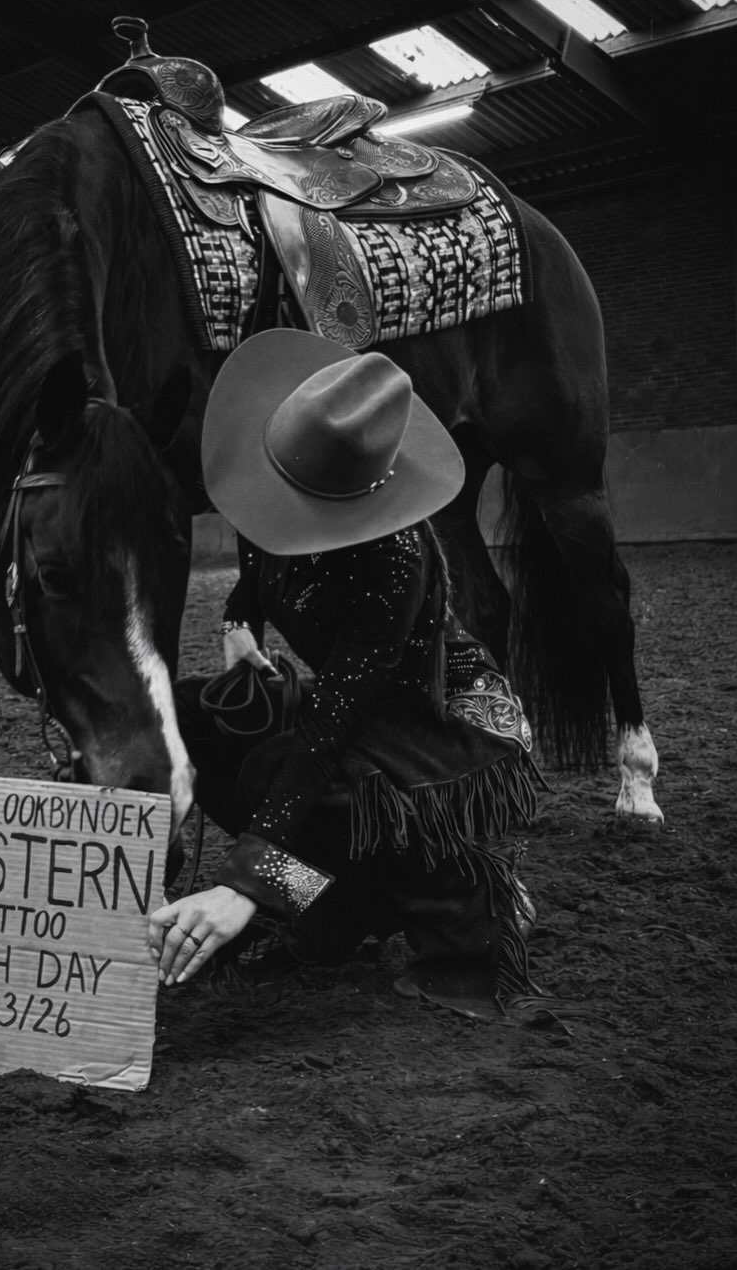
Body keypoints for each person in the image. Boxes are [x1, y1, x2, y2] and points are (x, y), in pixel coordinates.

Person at [148, 329, 546, 1017]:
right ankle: (319, 899)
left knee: (324, 786)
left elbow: (332, 725)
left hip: (439, 713)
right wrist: (241, 623)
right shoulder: (263, 463)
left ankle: (472, 896)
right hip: (351, 693)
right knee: (194, 718)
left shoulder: (396, 560)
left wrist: (242, 882)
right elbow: (259, 563)